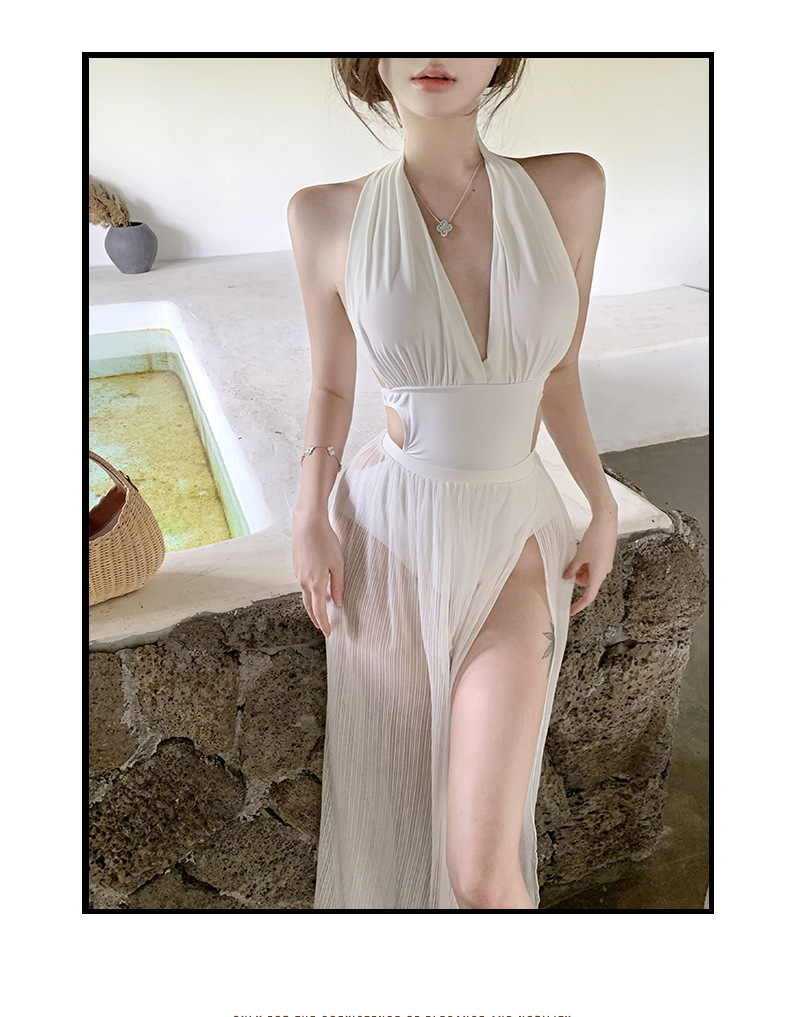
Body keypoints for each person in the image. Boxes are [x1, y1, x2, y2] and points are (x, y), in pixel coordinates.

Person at [288, 57, 617, 910]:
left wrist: (601, 501)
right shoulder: (323, 214)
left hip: (514, 534)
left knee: (481, 870)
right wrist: (309, 513)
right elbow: (331, 387)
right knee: (398, 819)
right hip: (392, 533)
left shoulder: (571, 190)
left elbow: (560, 371)